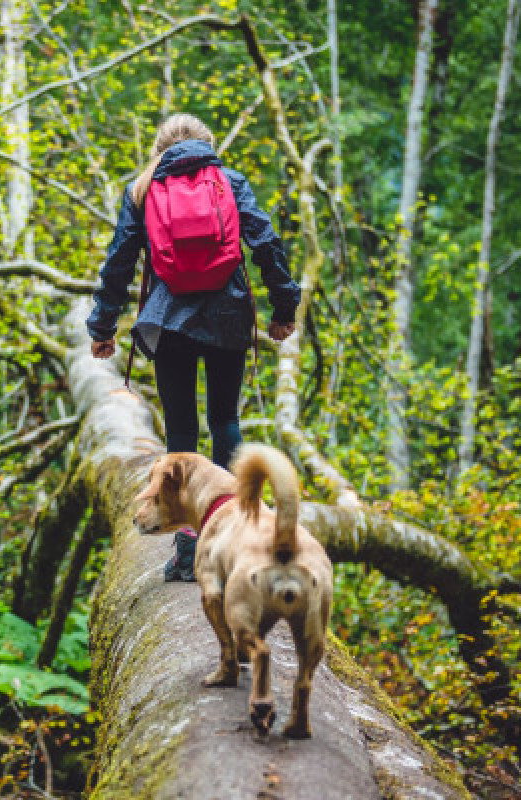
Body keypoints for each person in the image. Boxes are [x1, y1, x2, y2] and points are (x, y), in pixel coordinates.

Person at [86, 113, 300, 581]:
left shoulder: (142, 190)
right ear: (209, 143)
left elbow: (119, 262)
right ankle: (239, 538)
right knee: (226, 421)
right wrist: (285, 307)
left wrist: (103, 326)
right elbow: (266, 243)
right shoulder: (229, 181)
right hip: (228, 317)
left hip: (168, 322)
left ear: (158, 149)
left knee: (181, 433)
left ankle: (188, 556)